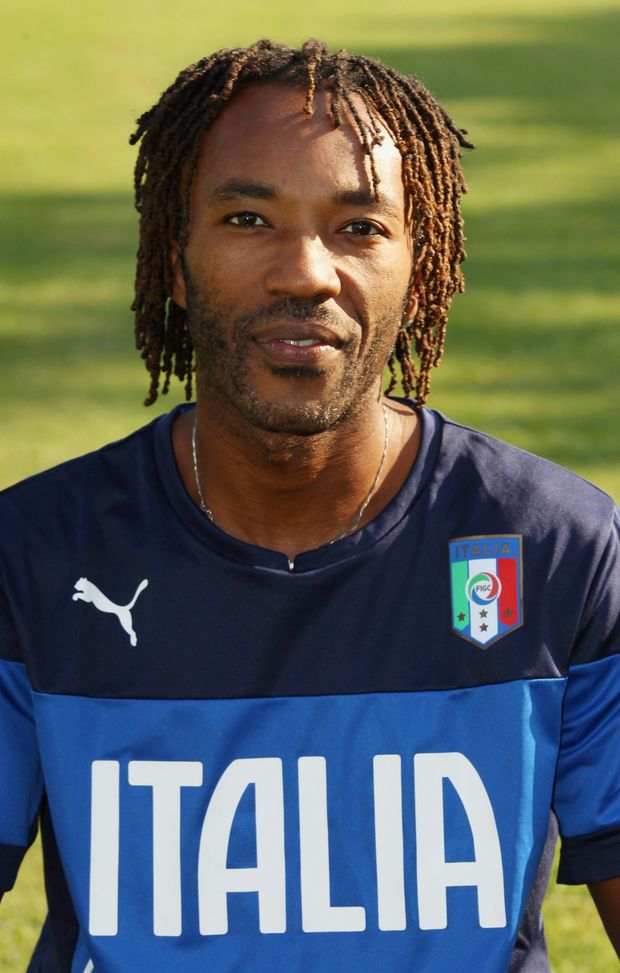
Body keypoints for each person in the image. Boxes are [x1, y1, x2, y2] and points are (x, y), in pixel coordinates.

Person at [0, 38, 618, 973]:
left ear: (420, 269)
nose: (306, 273)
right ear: (174, 262)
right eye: (248, 218)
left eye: (360, 227)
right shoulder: (36, 554)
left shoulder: (556, 545)